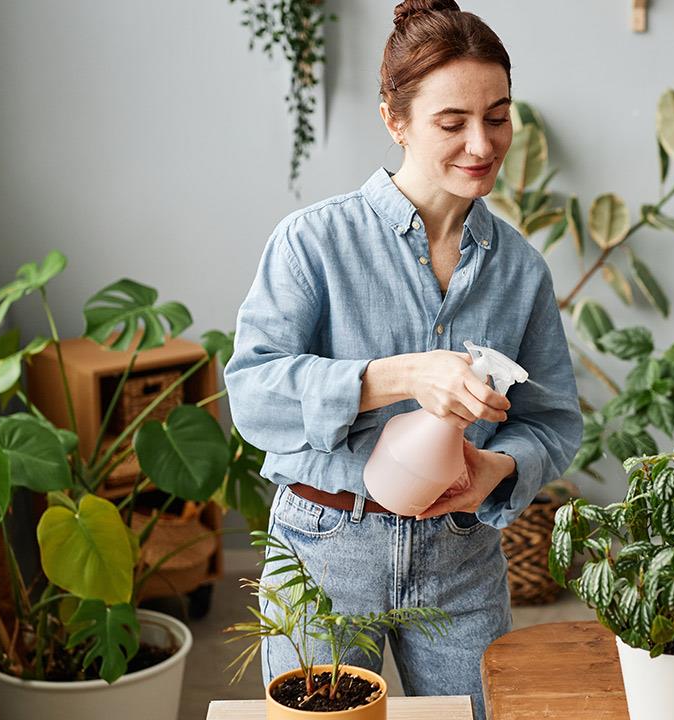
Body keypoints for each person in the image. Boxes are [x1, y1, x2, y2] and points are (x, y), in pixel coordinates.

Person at [222, 1, 582, 717]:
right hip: (323, 550)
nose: (482, 144)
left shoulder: (521, 270)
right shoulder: (313, 243)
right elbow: (253, 397)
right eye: (452, 123)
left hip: (461, 558)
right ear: (395, 120)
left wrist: (500, 471)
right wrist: (396, 376)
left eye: (499, 116)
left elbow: (552, 422)